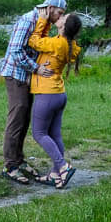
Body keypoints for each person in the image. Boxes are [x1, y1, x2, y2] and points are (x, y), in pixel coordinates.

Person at [0, 0, 65, 183]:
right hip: (16, 75)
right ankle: (10, 165)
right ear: (51, 7)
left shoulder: (43, 22)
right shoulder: (29, 20)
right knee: (17, 117)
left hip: (27, 77)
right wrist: (36, 68)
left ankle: (19, 160)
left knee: (24, 118)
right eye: (59, 13)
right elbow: (15, 50)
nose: (60, 17)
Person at [28, 10, 82, 189]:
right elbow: (46, 42)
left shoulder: (57, 44)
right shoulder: (68, 44)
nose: (60, 17)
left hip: (47, 93)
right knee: (55, 134)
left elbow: (33, 41)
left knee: (39, 134)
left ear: (63, 27)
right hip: (59, 94)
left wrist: (43, 20)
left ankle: (62, 166)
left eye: (63, 18)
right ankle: (55, 174)